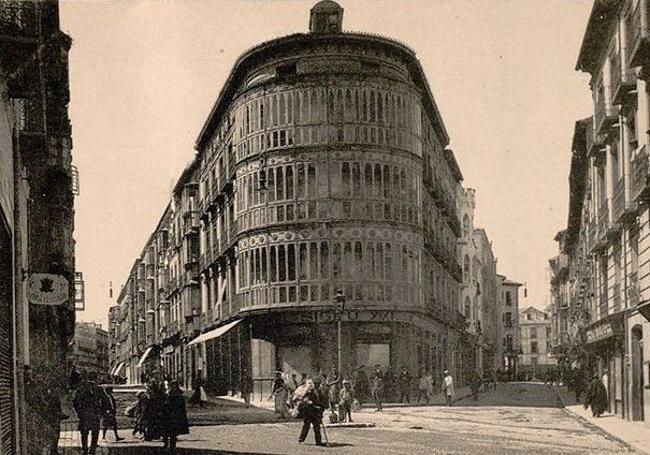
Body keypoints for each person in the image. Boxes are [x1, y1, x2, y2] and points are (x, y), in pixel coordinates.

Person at [73, 371, 108, 455]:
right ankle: (92, 451)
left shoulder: (81, 388)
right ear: (96, 378)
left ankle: (85, 450)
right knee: (95, 433)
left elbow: (75, 402)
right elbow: (105, 401)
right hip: (95, 414)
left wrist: (79, 413)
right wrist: (102, 412)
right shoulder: (99, 388)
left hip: (84, 414)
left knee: (84, 433)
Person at [162, 380, 190, 454]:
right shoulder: (169, 394)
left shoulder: (177, 395)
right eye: (173, 386)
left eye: (175, 386)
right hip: (170, 416)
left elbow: (182, 407)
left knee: (173, 433)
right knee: (168, 432)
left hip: (175, 417)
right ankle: (168, 445)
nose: (174, 387)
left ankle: (172, 447)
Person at [297, 379, 327, 446]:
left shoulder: (319, 392)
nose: (317, 385)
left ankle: (318, 441)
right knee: (306, 426)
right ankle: (301, 439)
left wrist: (321, 409)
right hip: (308, 411)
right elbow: (309, 401)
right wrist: (316, 404)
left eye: (318, 384)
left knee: (317, 427)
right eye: (316, 384)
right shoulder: (309, 391)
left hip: (315, 412)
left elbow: (322, 402)